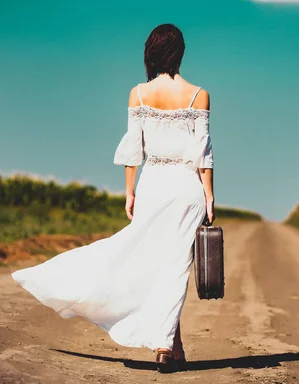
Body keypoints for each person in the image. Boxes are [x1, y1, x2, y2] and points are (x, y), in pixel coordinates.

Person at [11, 23, 214, 373]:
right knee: (175, 264)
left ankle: (168, 343)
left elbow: (133, 149)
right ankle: (168, 344)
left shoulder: (138, 93)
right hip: (186, 186)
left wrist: (130, 191)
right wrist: (209, 196)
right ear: (180, 53)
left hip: (153, 183)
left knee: (155, 262)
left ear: (151, 52)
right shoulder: (199, 95)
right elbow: (203, 154)